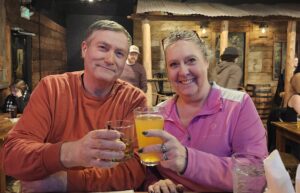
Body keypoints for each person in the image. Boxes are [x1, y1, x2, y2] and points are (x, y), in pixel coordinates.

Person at [1, 20, 147, 192]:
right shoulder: (52, 88)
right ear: (84, 49)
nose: (110, 59)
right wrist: (71, 152)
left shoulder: (134, 99)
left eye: (120, 53)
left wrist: (67, 181)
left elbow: (136, 169)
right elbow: (12, 157)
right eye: (102, 47)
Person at [139, 30, 268, 192]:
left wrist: (189, 160)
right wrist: (156, 183)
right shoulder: (158, 114)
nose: (183, 71)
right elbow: (150, 171)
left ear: (206, 61)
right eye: (174, 64)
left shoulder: (239, 105)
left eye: (191, 60)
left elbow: (256, 177)